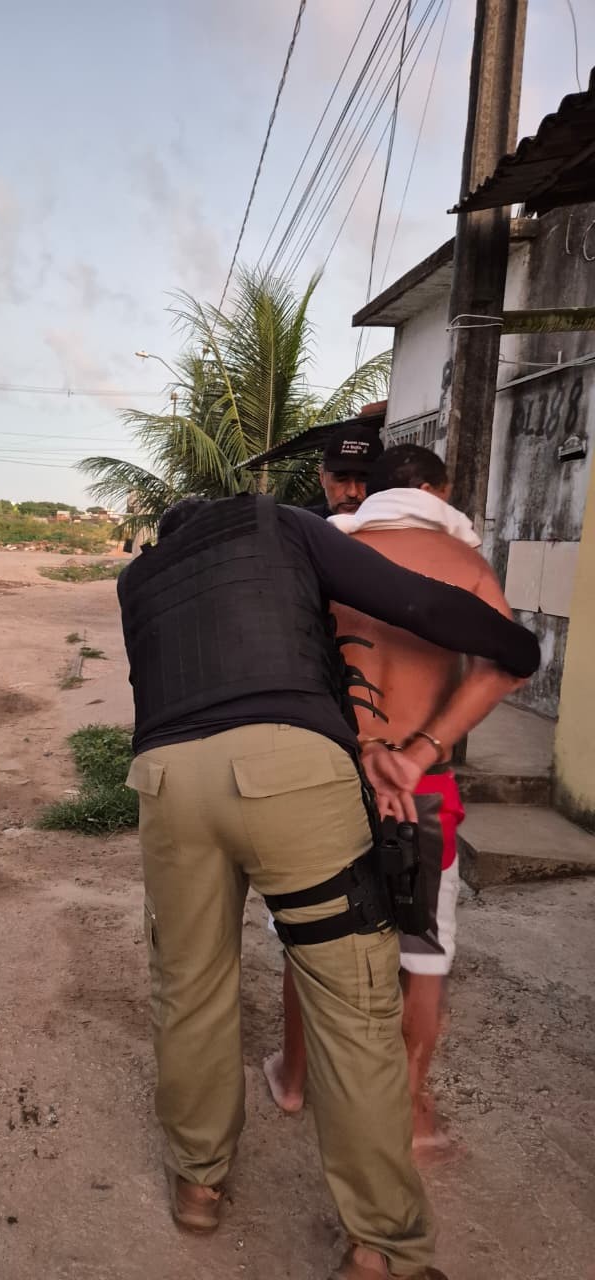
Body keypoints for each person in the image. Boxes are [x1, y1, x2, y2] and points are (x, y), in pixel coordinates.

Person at [117, 492, 539, 1280]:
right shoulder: (276, 523)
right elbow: (414, 603)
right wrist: (517, 645)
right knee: (352, 1008)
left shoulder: (139, 578)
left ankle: (198, 1183)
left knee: (189, 984)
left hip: (169, 781)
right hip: (292, 777)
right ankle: (381, 1246)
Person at [265, 445, 514, 1162]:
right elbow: (508, 666)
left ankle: (295, 1079)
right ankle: (409, 1113)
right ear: (439, 491)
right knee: (423, 952)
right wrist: (420, 752)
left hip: (331, 773)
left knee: (310, 935)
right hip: (419, 783)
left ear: (366, 491)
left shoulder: (326, 556)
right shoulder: (465, 563)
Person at [307, 419, 383, 518]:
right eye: (341, 479)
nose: (352, 492)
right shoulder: (300, 525)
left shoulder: (397, 524)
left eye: (363, 479)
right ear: (322, 477)